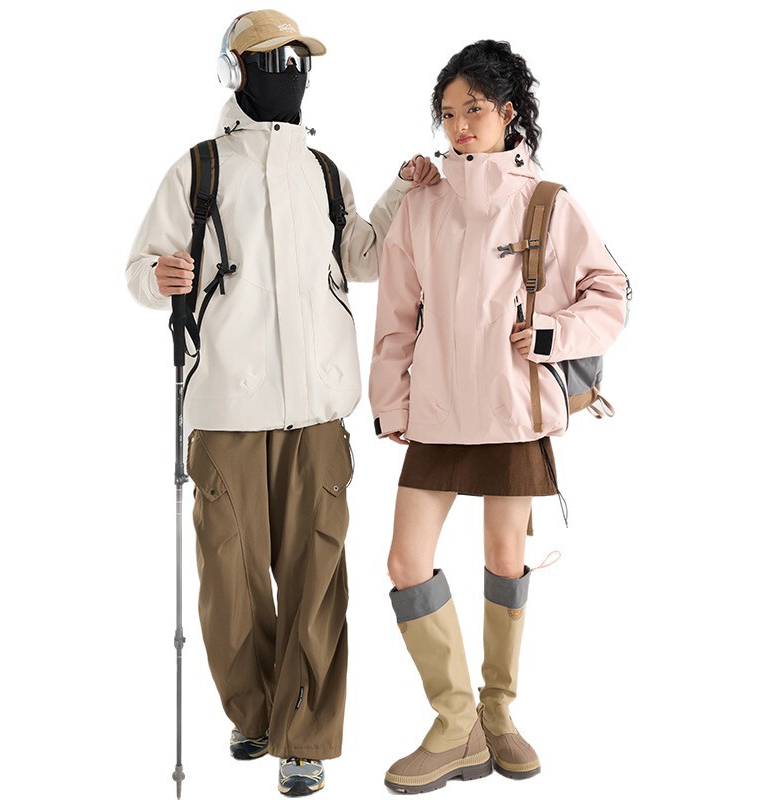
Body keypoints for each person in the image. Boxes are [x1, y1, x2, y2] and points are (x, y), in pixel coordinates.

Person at [126, 10, 438, 796]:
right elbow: (141, 267)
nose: (288, 74)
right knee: (229, 582)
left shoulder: (324, 172)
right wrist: (158, 276)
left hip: (319, 411)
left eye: (298, 61)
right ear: (233, 72)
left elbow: (363, 258)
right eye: (270, 61)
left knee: (315, 577)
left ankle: (305, 738)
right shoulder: (198, 170)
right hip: (226, 411)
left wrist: (404, 188)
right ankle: (256, 710)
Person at [369, 39, 628, 793]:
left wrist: (549, 336)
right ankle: (456, 725)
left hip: (515, 411)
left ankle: (498, 712)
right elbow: (395, 320)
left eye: (474, 109)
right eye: (448, 113)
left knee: (505, 558)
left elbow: (609, 295)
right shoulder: (421, 203)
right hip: (437, 413)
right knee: (405, 562)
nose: (460, 126)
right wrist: (391, 404)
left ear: (508, 112)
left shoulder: (547, 202)